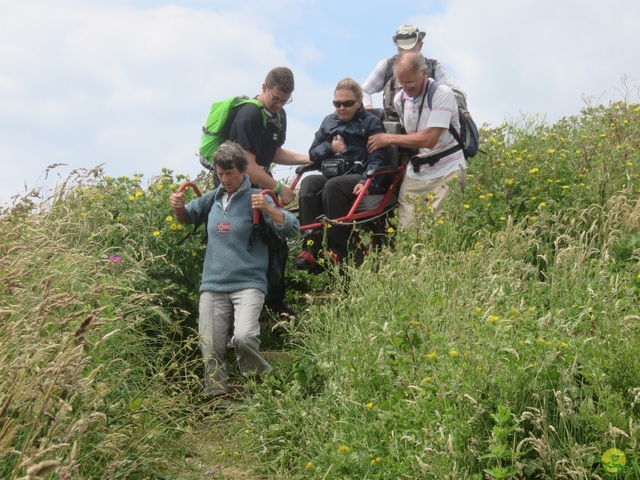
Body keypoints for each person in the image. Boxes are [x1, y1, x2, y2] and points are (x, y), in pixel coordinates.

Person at [170, 141, 299, 400]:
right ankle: (216, 396)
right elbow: (186, 218)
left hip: (249, 282)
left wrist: (270, 210)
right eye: (220, 174)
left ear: (243, 172)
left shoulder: (257, 198)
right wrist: (179, 206)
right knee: (209, 344)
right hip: (213, 283)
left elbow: (292, 228)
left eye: (230, 174)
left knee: (244, 337)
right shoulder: (212, 198)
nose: (225, 179)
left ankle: (261, 384)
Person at [229, 66, 312, 315]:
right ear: (263, 87)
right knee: (246, 242)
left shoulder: (279, 115)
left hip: (260, 184)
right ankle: (243, 310)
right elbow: (247, 165)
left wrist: (308, 158)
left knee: (277, 242)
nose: (279, 104)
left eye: (285, 101)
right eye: (275, 99)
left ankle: (275, 306)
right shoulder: (249, 115)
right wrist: (278, 187)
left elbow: (274, 152)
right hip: (236, 187)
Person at [295, 78, 387, 269]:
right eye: (337, 103)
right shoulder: (328, 121)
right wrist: (330, 147)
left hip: (361, 176)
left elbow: (378, 159)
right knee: (309, 183)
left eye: (347, 103)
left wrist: (366, 180)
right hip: (332, 173)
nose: (341, 108)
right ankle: (311, 248)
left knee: (333, 186)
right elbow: (313, 154)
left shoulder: (372, 123)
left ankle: (337, 249)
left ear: (359, 102)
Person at [366, 52, 467, 227]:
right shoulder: (400, 100)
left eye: (410, 82)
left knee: (439, 232)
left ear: (423, 73)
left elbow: (429, 140)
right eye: (401, 83)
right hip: (417, 172)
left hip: (447, 171)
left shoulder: (442, 94)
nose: (406, 88)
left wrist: (388, 138)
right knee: (407, 231)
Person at [361, 24, 464, 121]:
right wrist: (369, 109)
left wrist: (438, 107)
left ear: (420, 45)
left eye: (410, 48)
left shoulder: (434, 68)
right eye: (402, 49)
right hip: (393, 130)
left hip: (428, 126)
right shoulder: (386, 66)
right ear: (397, 47)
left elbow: (458, 93)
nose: (406, 53)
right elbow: (362, 91)